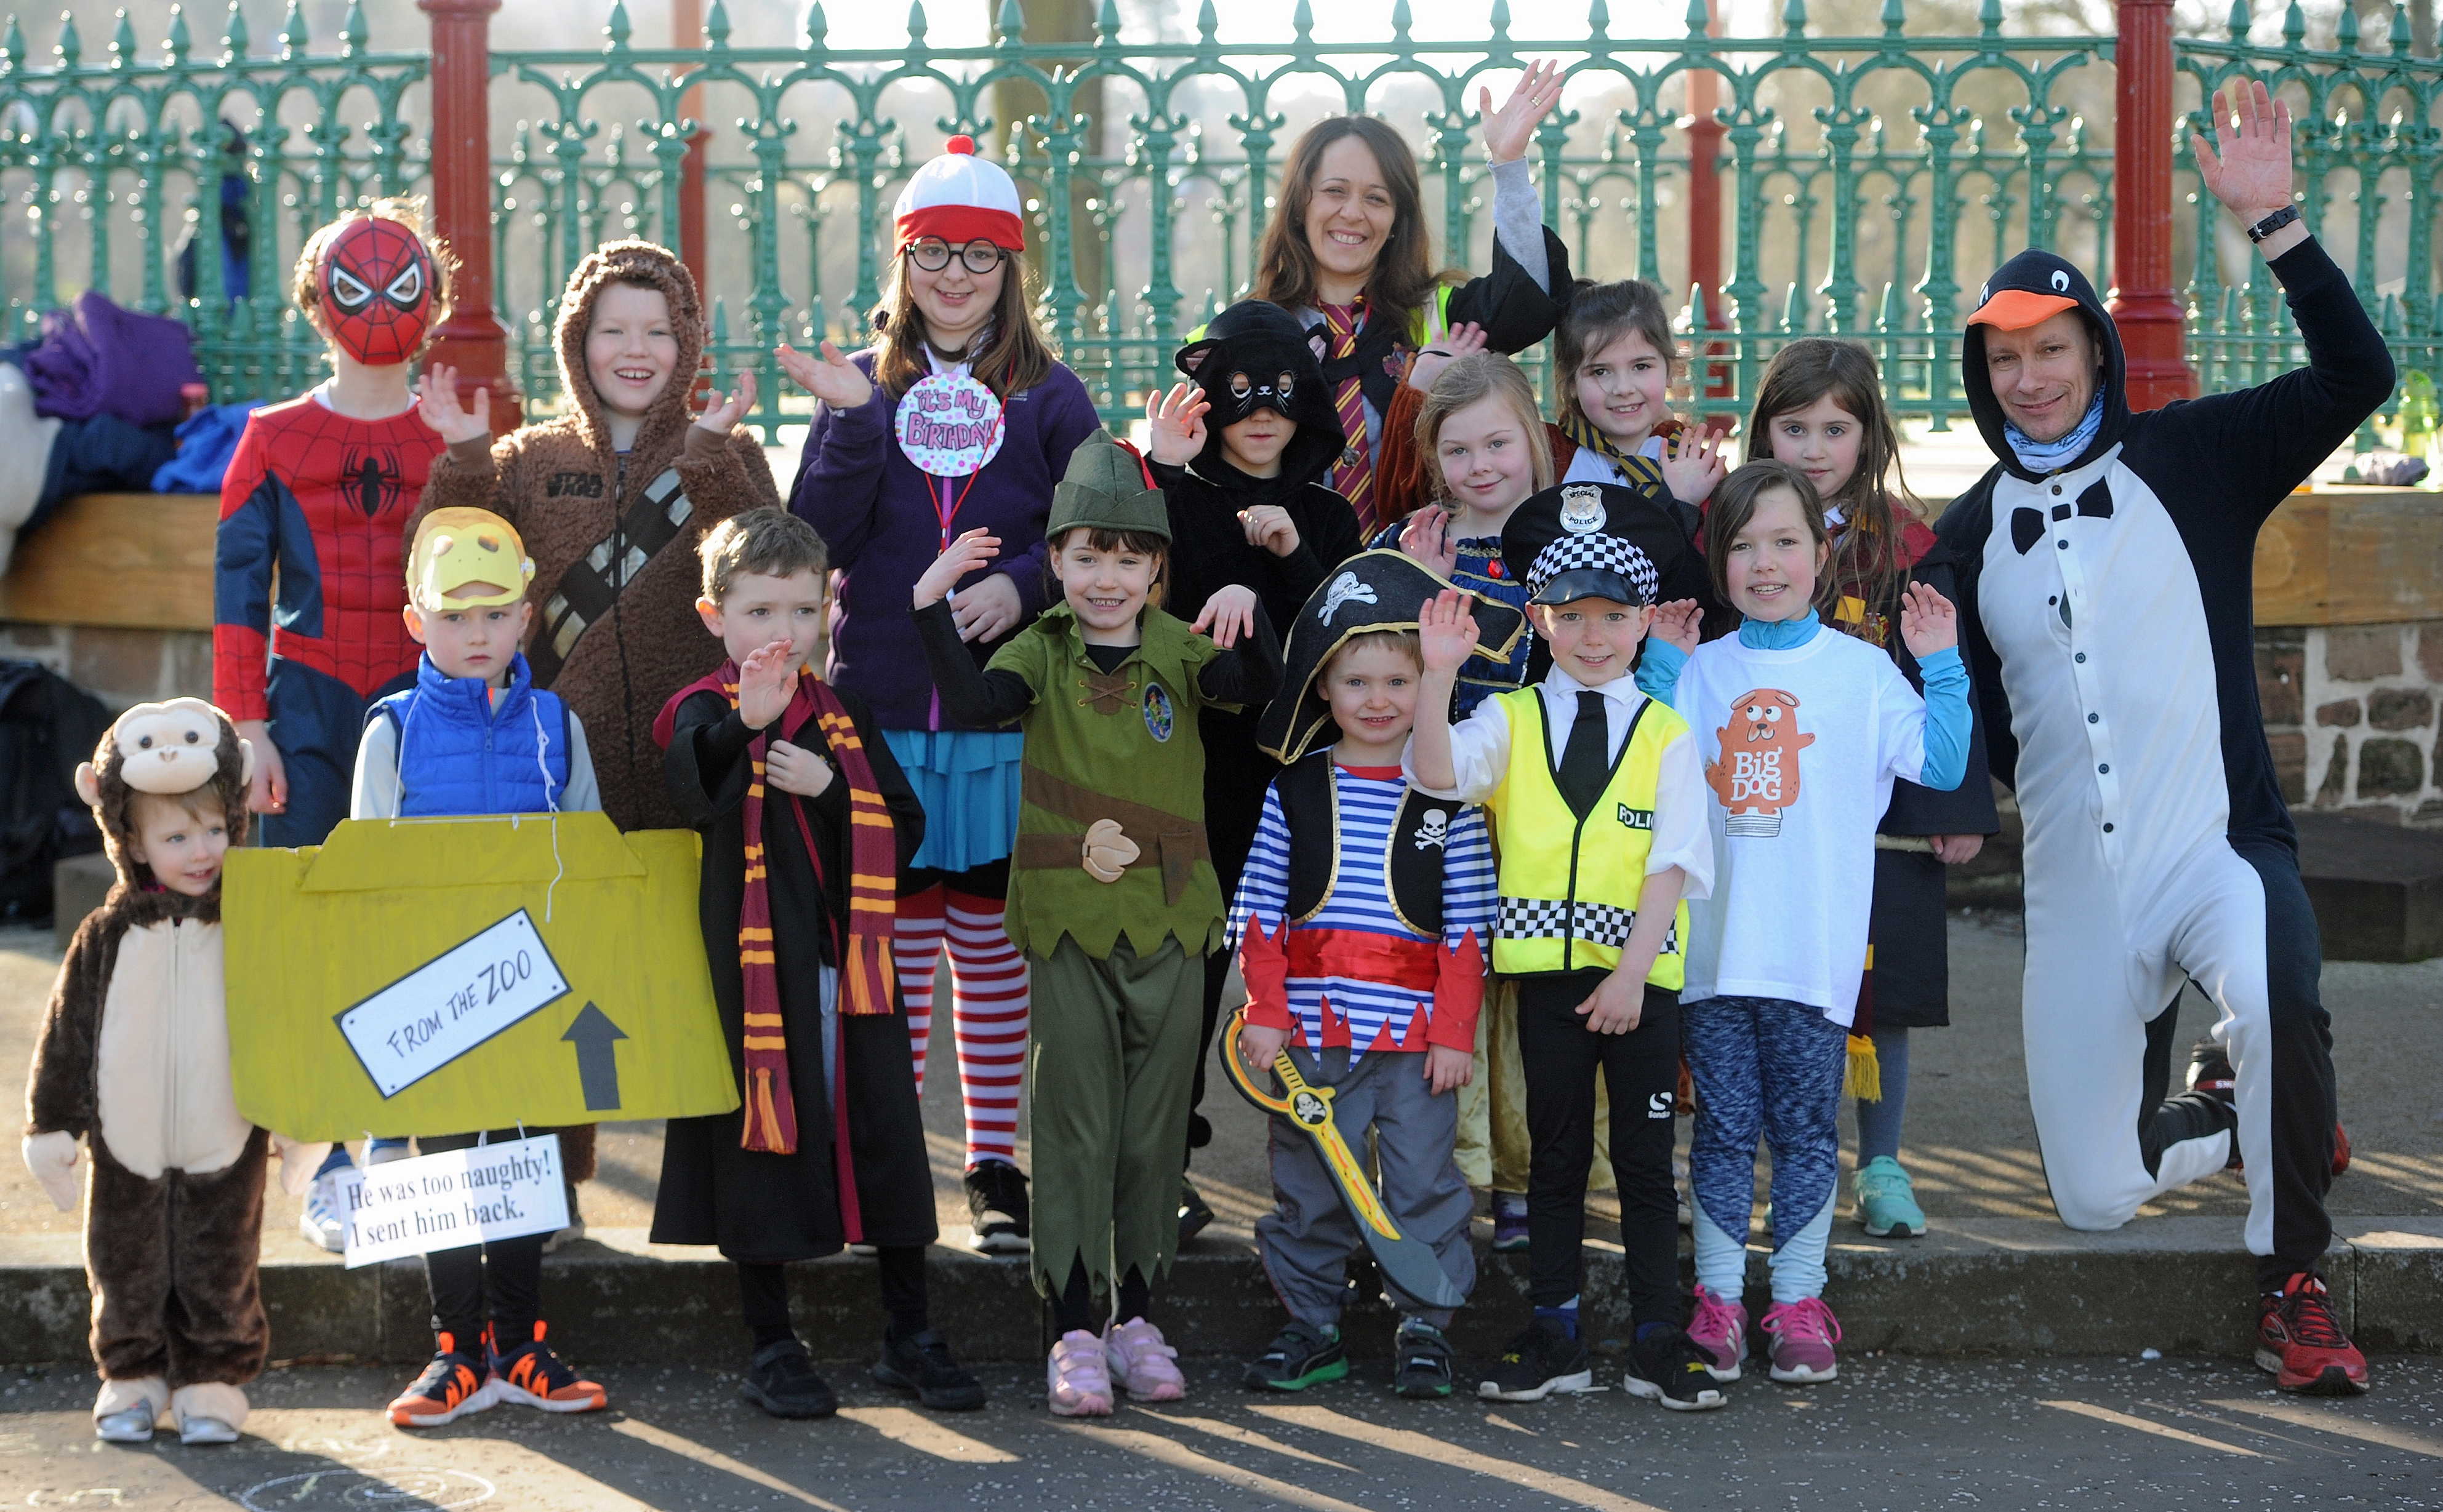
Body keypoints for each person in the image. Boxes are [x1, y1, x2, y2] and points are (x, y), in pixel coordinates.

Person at [1933, 79, 2388, 1396]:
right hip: (2080, 892)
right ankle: (2240, 1115)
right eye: (2003, 358)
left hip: (2216, 849)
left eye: (2050, 350)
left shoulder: (2195, 457)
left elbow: (2358, 375)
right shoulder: (1962, 542)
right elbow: (1982, 723)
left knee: (2279, 994)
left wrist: (2277, 223)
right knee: (2092, 1192)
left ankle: (2291, 1277)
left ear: (2092, 351)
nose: (2028, 378)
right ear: (1981, 373)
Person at [412, 236, 777, 1246]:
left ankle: (707, 1191)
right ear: (577, 339)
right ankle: (553, 1190)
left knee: (697, 982)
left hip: (691, 761)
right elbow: (459, 561)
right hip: (553, 769)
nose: (635, 347)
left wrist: (707, 457)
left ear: (687, 340)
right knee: (550, 978)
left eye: (657, 329)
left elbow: (765, 564)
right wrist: (460, 458)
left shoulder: (725, 448)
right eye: (612, 327)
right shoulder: (532, 459)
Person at [910, 435, 1283, 1417]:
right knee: (1075, 1121)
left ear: (1158, 568)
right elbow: (972, 701)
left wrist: (1256, 605)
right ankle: (1071, 1327)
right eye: (1085, 557)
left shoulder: (1179, 649)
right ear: (1059, 563)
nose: (1106, 579)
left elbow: (1260, 695)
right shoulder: (1039, 648)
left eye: (1128, 559)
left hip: (1171, 920)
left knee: (1154, 1128)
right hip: (1070, 922)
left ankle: (1137, 1319)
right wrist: (928, 607)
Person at [784, 137, 1105, 1252]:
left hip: (994, 720)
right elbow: (813, 536)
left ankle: (994, 1164)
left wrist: (1022, 585)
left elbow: (1093, 526)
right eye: (933, 253)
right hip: (879, 711)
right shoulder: (864, 386)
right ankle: (888, 1156)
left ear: (1011, 266)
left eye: (979, 254)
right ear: (902, 260)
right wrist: (847, 423)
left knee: (988, 940)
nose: (955, 274)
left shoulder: (1051, 395)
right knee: (899, 939)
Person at [1639, 460, 1971, 1388]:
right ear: (1718, 560)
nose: (1764, 563)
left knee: (1802, 1130)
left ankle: (1795, 1295)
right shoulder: (1701, 670)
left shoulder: (1863, 673)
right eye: (1741, 546)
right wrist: (1662, 662)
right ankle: (1714, 1297)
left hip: (1812, 959)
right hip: (1710, 957)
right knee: (1720, 1130)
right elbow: (1641, 759)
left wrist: (1940, 663)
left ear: (1822, 552)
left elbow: (1941, 766)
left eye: (1785, 542)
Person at [653, 509, 984, 1421]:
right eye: (759, 611)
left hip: (853, 975)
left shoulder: (844, 717)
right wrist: (743, 731)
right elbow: (690, 794)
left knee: (885, 1141)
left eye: (802, 610)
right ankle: (771, 1342)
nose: (782, 633)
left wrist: (835, 791)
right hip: (756, 981)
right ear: (714, 615)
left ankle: (906, 1332)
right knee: (762, 1147)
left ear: (828, 610)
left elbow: (905, 832)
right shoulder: (700, 711)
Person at [1383, 352, 1715, 1249]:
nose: (1480, 465)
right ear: (1431, 458)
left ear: (1534, 440)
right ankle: (1462, 1171)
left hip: (1549, 807)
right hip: (1448, 796)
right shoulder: (1413, 546)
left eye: (1498, 441)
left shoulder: (1565, 546)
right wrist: (1417, 585)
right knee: (1463, 994)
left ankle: (1547, 1174)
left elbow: (1616, 645)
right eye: (1457, 450)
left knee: (1547, 996)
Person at [1407, 521, 1722, 1412]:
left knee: (1645, 1161)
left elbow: (1675, 860)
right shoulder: (1506, 718)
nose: (1593, 636)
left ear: (1643, 623)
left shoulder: (1666, 732)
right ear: (1540, 619)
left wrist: (1629, 976)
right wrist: (1436, 675)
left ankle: (1659, 1335)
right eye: (1572, 615)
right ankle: (1555, 1329)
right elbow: (1436, 775)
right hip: (1545, 982)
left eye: (1614, 617)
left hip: (1640, 987)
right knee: (1553, 1159)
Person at [214, 200, 456, 1254]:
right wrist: (247, 725)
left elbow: (495, 578)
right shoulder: (270, 438)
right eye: (354, 288)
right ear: (315, 301)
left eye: (402, 288)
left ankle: (406, 1145)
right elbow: (236, 589)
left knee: (419, 924)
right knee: (314, 928)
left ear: (434, 303)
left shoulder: (453, 432)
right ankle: (329, 1160)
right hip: (305, 698)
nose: (376, 308)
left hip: (425, 699)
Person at [1228, 551, 1512, 1399]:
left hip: (1418, 1041)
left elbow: (1470, 928)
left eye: (1399, 679)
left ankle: (1425, 1323)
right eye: (1358, 681)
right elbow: (1259, 912)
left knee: (1425, 1182)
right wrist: (1264, 1010)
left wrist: (1455, 1030)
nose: (1380, 699)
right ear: (1324, 687)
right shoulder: (1294, 791)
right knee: (1310, 1186)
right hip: (1308, 1039)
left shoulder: (1446, 794)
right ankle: (1312, 1324)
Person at [359, 508, 608, 1430]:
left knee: (525, 1164)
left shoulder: (557, 723)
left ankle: (523, 1344)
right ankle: (455, 1352)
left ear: (525, 617)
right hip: (433, 994)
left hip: (535, 990)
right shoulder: (389, 729)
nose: (477, 634)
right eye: (455, 616)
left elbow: (587, 857)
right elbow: (362, 882)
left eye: (496, 615)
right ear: (417, 621)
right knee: (449, 1168)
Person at [1744, 338, 1998, 1238]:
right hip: (1771, 808)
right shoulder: (1741, 534)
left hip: (1884, 815)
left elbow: (1949, 668)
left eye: (1835, 427)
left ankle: (1883, 1161)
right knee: (1776, 989)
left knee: (1879, 993)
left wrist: (1955, 804)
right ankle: (1786, 1160)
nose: (1814, 448)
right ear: (1763, 431)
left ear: (1867, 433)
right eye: (1793, 426)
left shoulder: (1906, 546)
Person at [22, 701, 318, 1445]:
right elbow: (68, 1034)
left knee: (224, 1262)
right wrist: (53, 1124)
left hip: (229, 1131)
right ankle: (130, 1375)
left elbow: (282, 1020)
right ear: (130, 838)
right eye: (177, 836)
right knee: (123, 1263)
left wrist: (303, 1121)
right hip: (128, 1136)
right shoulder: (106, 935)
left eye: (215, 829)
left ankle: (212, 1379)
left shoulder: (248, 923)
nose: (202, 851)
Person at [1144, 297, 1365, 1236]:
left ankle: (1335, 1164)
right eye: (1238, 395)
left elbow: (1347, 632)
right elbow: (1137, 589)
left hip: (1299, 777)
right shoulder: (1179, 496)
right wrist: (1155, 469)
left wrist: (1289, 555)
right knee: (1186, 968)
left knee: (1312, 966)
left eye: (1280, 395)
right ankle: (1162, 1160)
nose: (1260, 414)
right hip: (1193, 773)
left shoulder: (1323, 510)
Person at [1249, 65, 1573, 530]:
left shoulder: (1438, 315)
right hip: (1287, 570)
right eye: (1334, 191)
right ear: (1300, 204)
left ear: (1399, 216)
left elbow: (1528, 295)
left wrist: (1509, 166)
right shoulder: (1255, 327)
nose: (1353, 213)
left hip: (1424, 571)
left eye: (1376, 199)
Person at [1375, 278, 1730, 521]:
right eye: (1600, 372)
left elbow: (1709, 577)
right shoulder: (1541, 451)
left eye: (1641, 366)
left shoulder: (1691, 460)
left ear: (1670, 370)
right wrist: (1420, 389)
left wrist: (1682, 504)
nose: (1623, 388)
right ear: (1571, 381)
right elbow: (1411, 500)